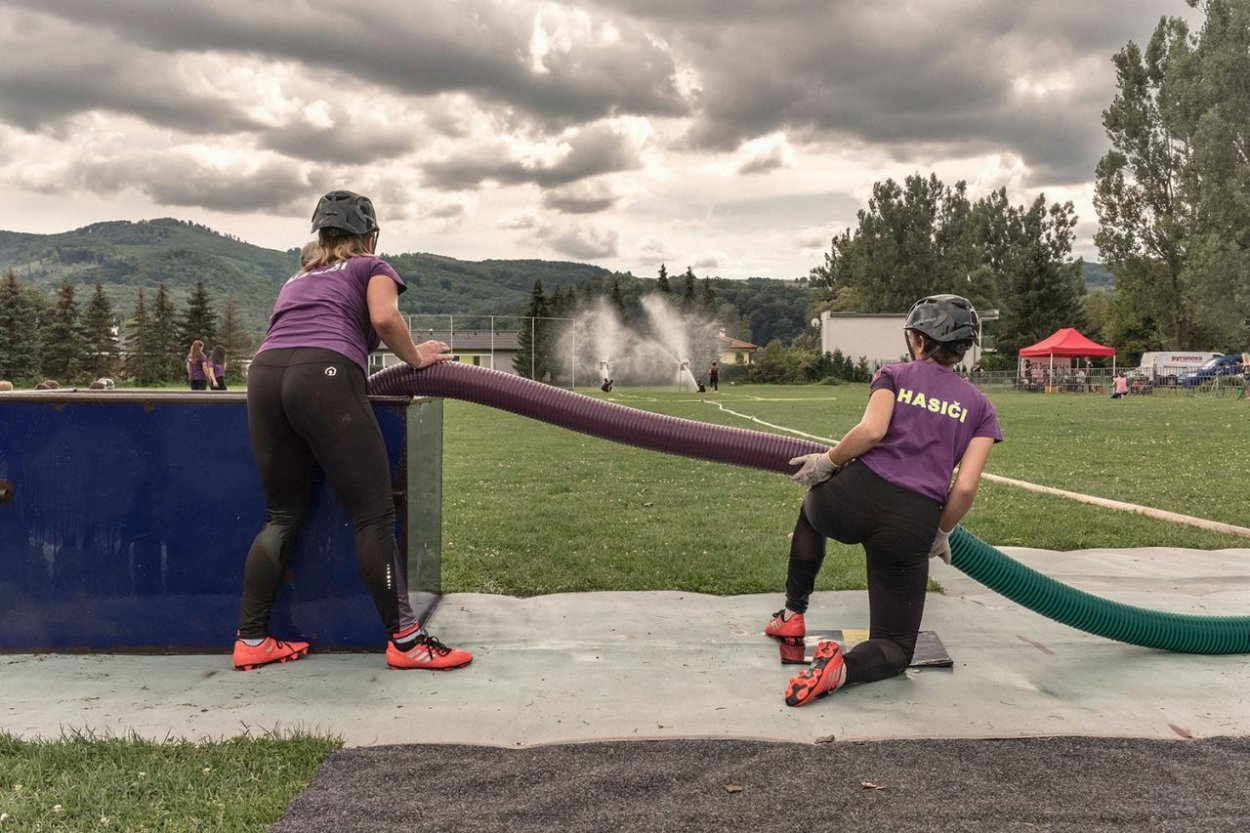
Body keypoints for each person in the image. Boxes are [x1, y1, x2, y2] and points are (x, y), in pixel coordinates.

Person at [233, 189, 472, 672]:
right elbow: (383, 318)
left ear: (320, 234)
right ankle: (406, 642)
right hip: (324, 375)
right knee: (373, 516)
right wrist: (416, 355)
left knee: (281, 515)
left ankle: (252, 638)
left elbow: (305, 331)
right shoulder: (372, 268)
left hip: (264, 375)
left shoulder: (296, 278)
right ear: (370, 235)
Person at [766, 294, 1001, 707]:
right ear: (963, 348)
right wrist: (941, 531)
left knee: (810, 514)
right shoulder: (981, 407)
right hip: (911, 522)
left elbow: (871, 431)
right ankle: (844, 669)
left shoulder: (894, 373)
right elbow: (964, 489)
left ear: (921, 341)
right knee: (895, 647)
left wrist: (827, 462)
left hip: (855, 494)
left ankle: (791, 614)